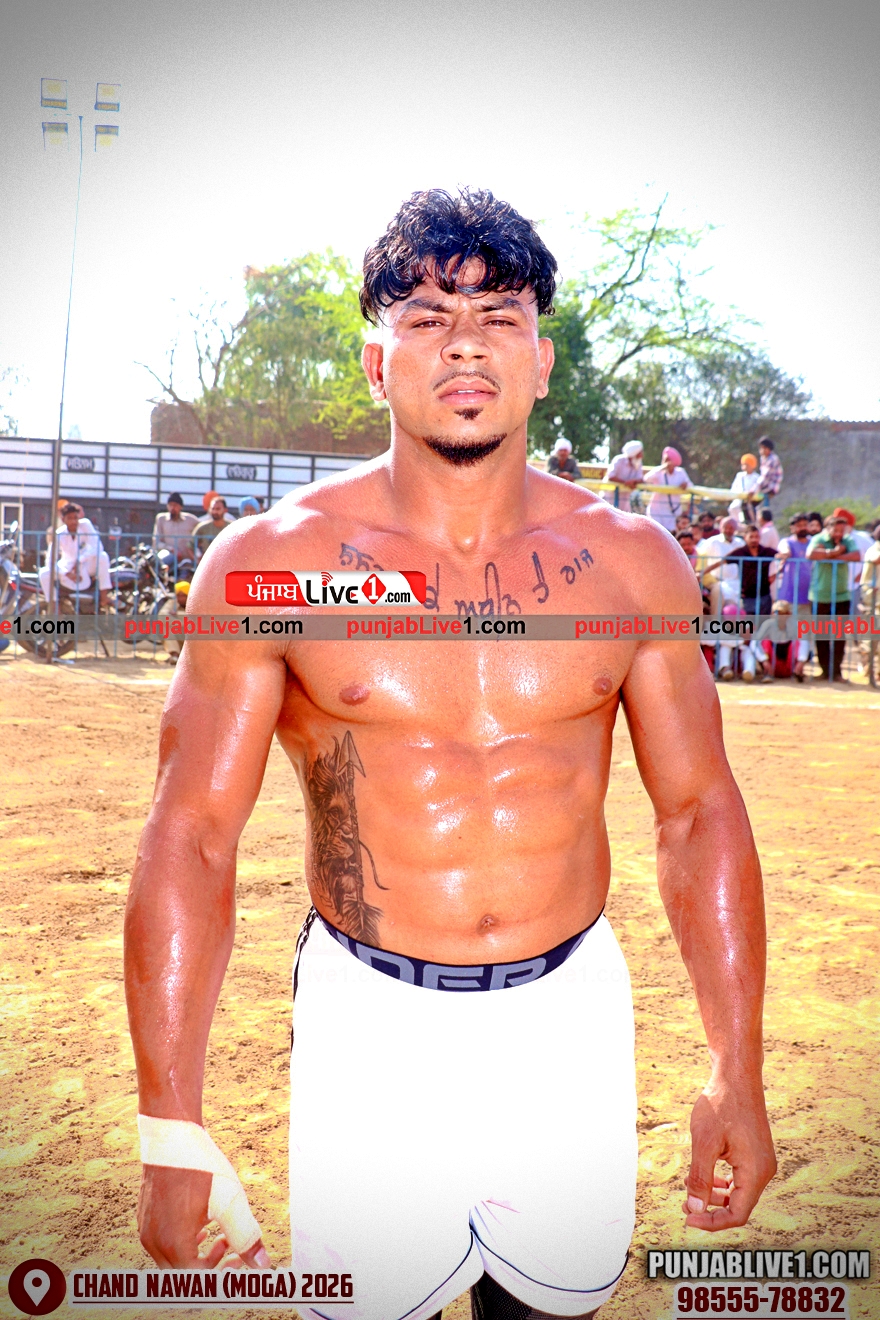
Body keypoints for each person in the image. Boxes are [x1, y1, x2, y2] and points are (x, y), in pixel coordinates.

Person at [126, 188, 774, 1320]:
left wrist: (737, 1066)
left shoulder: (632, 563)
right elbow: (191, 838)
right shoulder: (273, 565)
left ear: (541, 360)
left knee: (552, 1311)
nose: (465, 343)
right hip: (370, 1022)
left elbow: (697, 812)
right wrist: (169, 1126)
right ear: (376, 364)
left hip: (567, 1015)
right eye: (425, 317)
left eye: (499, 316)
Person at [806, 514, 860, 681]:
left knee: (840, 636)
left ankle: (836, 672)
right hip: (820, 594)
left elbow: (856, 556)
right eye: (835, 530)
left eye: (841, 531)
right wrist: (836, 552)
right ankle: (825, 671)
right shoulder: (818, 538)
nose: (838, 534)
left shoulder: (847, 540)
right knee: (821, 635)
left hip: (842, 594)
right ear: (827, 528)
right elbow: (811, 554)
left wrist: (829, 555)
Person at [40, 502, 111, 609]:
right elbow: (50, 561)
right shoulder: (59, 534)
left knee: (103, 556)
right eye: (69, 518)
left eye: (75, 518)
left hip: (86, 565)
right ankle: (54, 608)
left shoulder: (85, 525)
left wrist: (80, 560)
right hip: (67, 568)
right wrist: (66, 573)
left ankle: (104, 597)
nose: (73, 521)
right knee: (44, 573)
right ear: (63, 519)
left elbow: (97, 546)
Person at [699, 516, 745, 617]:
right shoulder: (712, 542)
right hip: (716, 581)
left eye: (731, 528)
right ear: (721, 528)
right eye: (725, 527)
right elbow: (700, 557)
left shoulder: (740, 543)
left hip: (736, 583)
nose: (728, 530)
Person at [726, 524, 774, 616]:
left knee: (764, 622)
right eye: (751, 537)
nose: (754, 539)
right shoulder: (740, 552)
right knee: (749, 622)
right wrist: (702, 573)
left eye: (756, 537)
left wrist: (775, 574)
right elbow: (722, 561)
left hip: (764, 595)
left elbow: (781, 557)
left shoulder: (766, 551)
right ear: (745, 537)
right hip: (747, 596)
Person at [643, 446, 693, 531]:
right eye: (665, 460)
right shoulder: (659, 472)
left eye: (669, 460)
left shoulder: (680, 472)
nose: (667, 462)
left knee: (671, 534)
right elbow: (646, 479)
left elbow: (691, 486)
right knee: (656, 532)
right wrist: (662, 467)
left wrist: (685, 485)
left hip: (672, 512)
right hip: (656, 511)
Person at [858, 525, 880, 681]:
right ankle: (867, 668)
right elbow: (876, 559)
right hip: (871, 600)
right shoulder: (874, 549)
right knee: (870, 637)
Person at [153, 494, 199, 561]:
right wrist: (171, 549)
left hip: (188, 561)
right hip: (169, 560)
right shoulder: (161, 519)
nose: (172, 508)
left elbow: (203, 530)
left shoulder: (190, 520)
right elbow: (156, 543)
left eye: (175, 505)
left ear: (181, 507)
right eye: (170, 505)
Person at [603, 440, 643, 512]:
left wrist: (633, 482)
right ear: (635, 453)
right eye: (640, 453)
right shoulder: (619, 460)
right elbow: (611, 476)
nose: (642, 455)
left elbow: (640, 478)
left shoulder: (638, 463)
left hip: (625, 501)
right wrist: (625, 483)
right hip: (611, 498)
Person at [158, 580, 190, 664]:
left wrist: (177, 615)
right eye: (178, 595)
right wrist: (179, 622)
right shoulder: (173, 602)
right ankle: (175, 655)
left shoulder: (196, 603)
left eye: (183, 595)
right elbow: (162, 615)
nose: (181, 598)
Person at [728, 454, 760, 526]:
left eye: (747, 464)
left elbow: (758, 489)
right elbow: (734, 487)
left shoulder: (756, 477)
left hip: (751, 501)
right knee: (732, 508)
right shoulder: (740, 476)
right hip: (739, 500)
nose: (745, 466)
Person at [756, 438, 783, 512]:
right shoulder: (763, 458)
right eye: (761, 448)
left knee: (764, 502)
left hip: (772, 485)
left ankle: (765, 513)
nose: (762, 450)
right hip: (765, 485)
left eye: (764, 448)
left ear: (769, 449)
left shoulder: (772, 459)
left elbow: (765, 476)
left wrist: (756, 488)